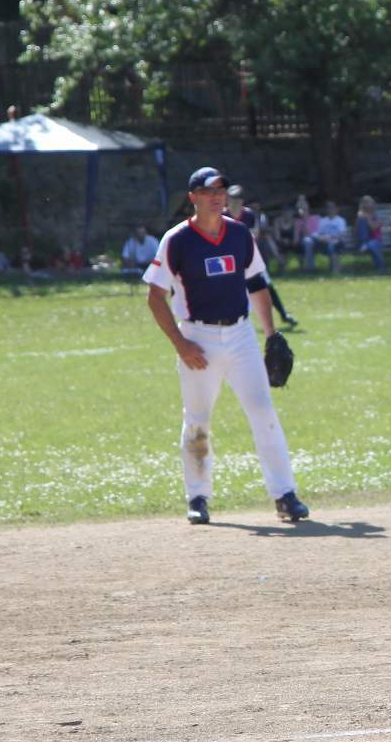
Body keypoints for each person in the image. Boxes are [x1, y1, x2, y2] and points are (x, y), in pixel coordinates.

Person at [142, 166, 309, 526]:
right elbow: (155, 296)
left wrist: (271, 334)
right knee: (198, 420)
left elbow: (257, 283)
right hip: (197, 339)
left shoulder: (239, 233)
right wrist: (180, 344)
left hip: (241, 335)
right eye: (208, 191)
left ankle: (285, 495)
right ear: (193, 198)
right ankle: (198, 496)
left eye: (220, 189)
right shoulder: (176, 240)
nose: (217, 196)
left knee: (264, 412)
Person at [227, 185, 297, 328]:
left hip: (250, 257)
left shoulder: (249, 215)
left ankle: (283, 314)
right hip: (230, 260)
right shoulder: (222, 216)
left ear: (241, 201)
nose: (232, 203)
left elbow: (254, 235)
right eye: (230, 199)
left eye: (235, 200)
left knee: (267, 286)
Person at [304, 199, 346, 272]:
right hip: (323, 242)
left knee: (332, 244)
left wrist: (330, 238)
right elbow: (317, 233)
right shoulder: (322, 221)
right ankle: (310, 267)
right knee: (308, 240)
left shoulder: (340, 220)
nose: (330, 209)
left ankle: (335, 268)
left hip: (336, 242)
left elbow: (341, 234)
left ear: (336, 209)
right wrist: (319, 237)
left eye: (332, 207)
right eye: (328, 207)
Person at [354, 196, 387, 271]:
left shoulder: (378, 215)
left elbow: (373, 228)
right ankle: (381, 268)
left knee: (372, 245)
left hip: (376, 240)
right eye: (365, 203)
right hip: (363, 241)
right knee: (371, 245)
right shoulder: (361, 216)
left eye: (369, 203)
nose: (367, 205)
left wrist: (367, 217)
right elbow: (356, 231)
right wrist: (358, 218)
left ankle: (381, 268)